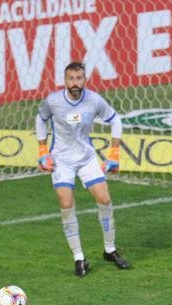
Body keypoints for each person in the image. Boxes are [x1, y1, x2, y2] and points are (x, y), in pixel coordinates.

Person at [35, 60, 132, 278]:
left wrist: (114, 153)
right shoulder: (53, 101)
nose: (75, 83)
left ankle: (110, 250)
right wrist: (42, 150)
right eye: (71, 79)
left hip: (86, 158)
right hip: (61, 160)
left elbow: (115, 120)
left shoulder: (94, 100)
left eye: (79, 79)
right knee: (66, 203)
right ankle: (79, 258)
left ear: (85, 80)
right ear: (65, 80)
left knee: (104, 200)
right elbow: (40, 119)